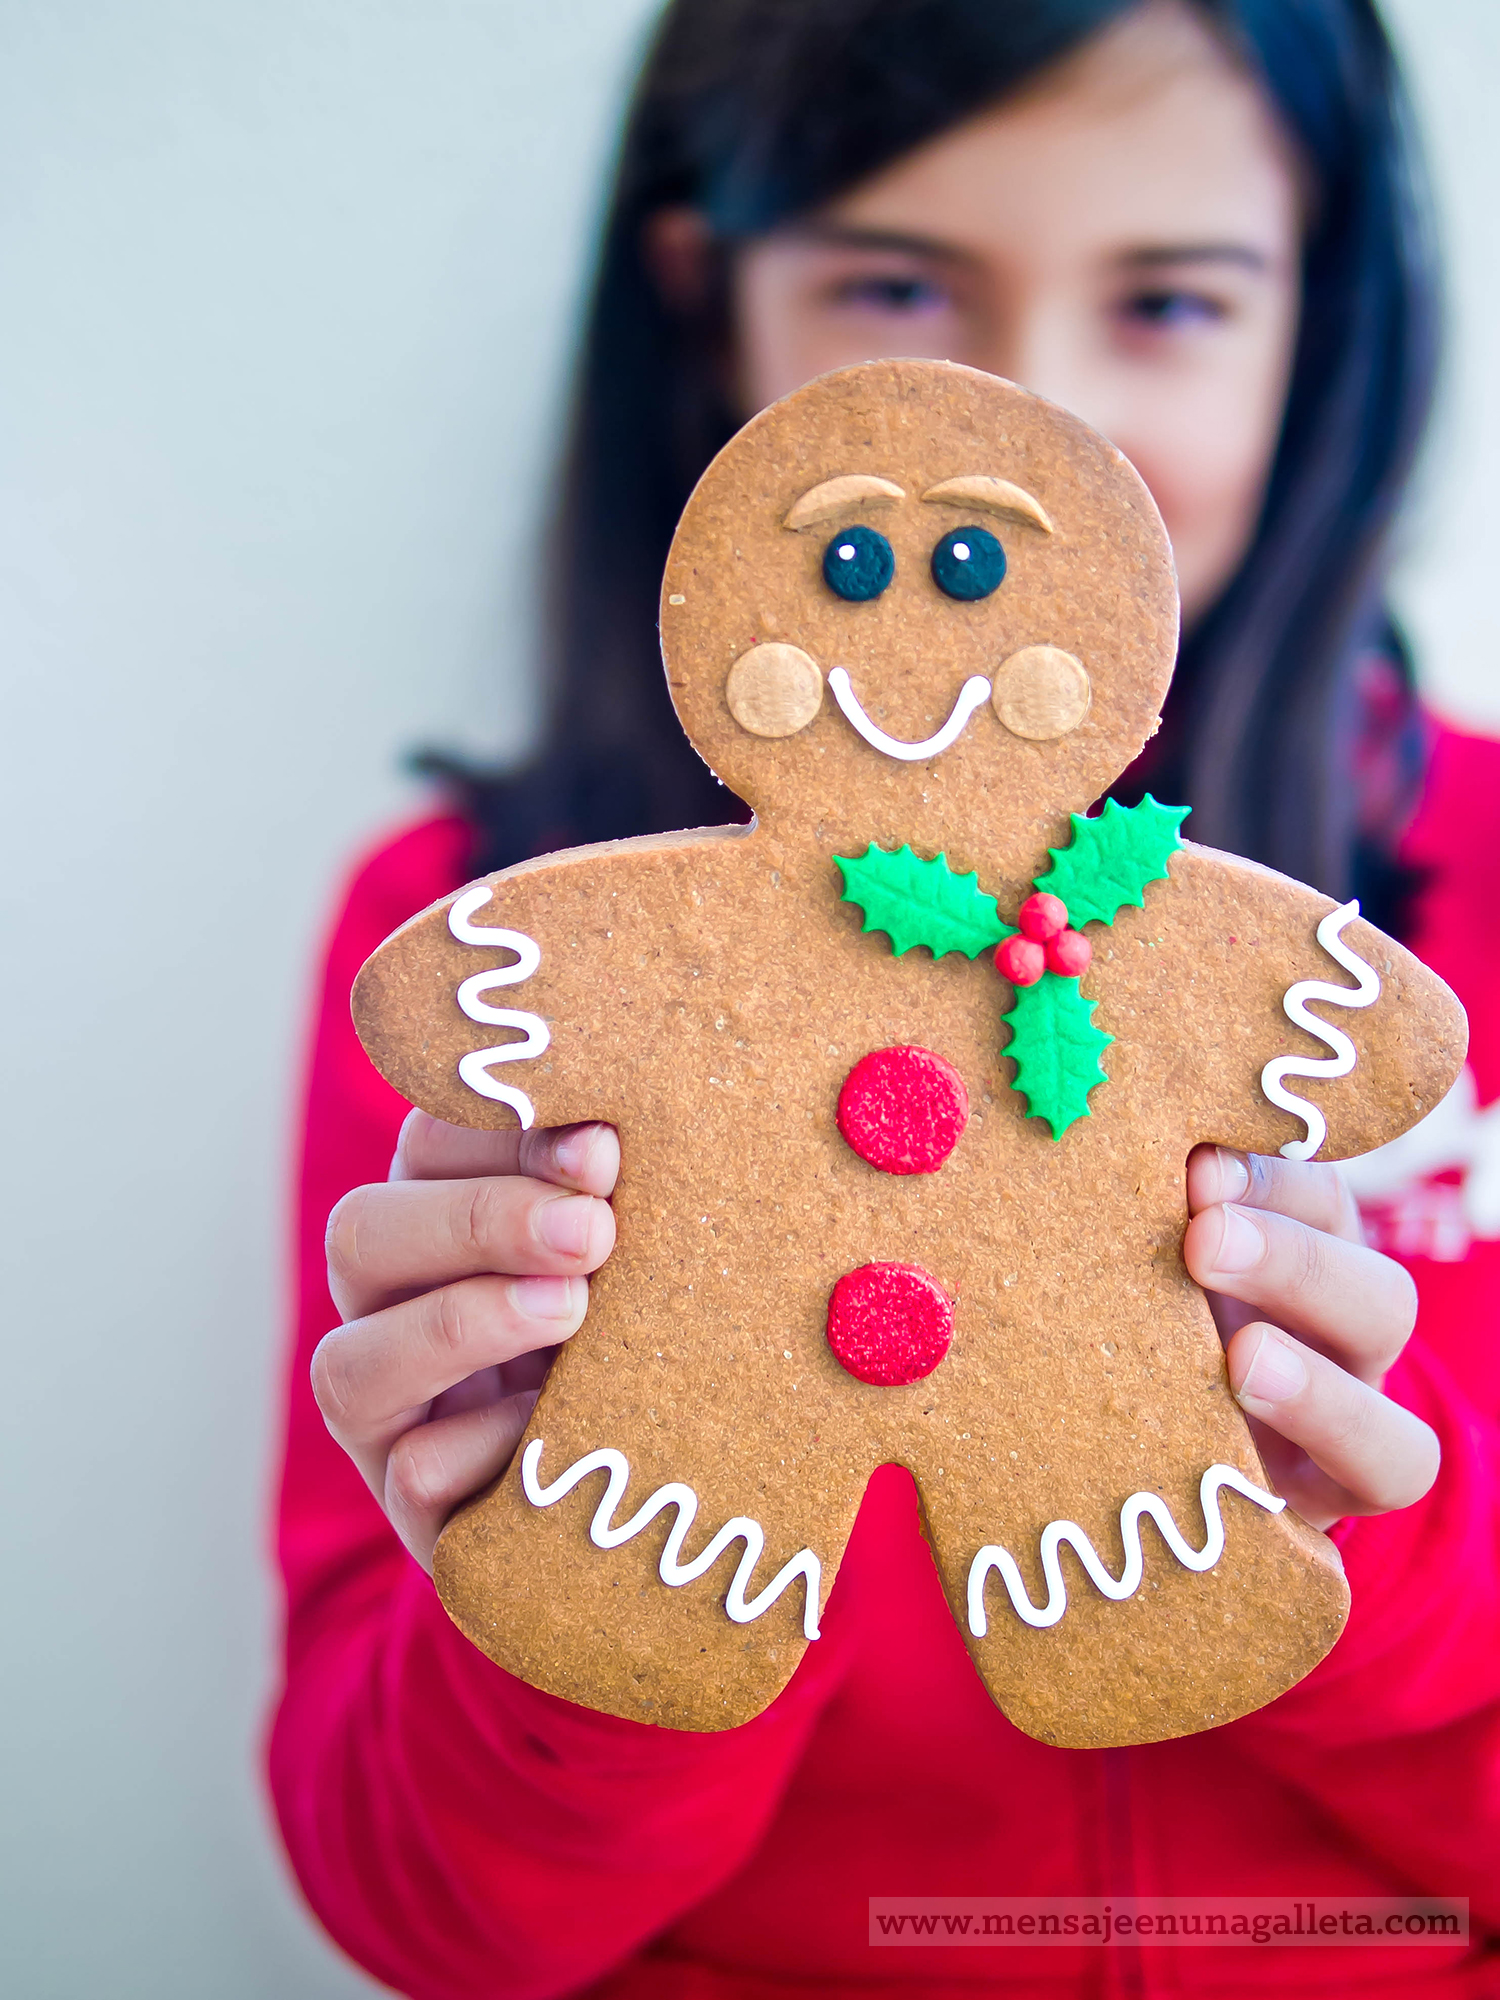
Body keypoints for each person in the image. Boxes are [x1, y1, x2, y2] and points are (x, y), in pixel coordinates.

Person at [269, 2, 1500, 1994]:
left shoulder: (1435, 910)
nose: (1033, 420)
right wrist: (583, 1619)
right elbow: (432, 1920)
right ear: (707, 294)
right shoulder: (487, 968)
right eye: (897, 280)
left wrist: (1375, 1551)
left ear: (1320, 314)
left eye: (1172, 301)